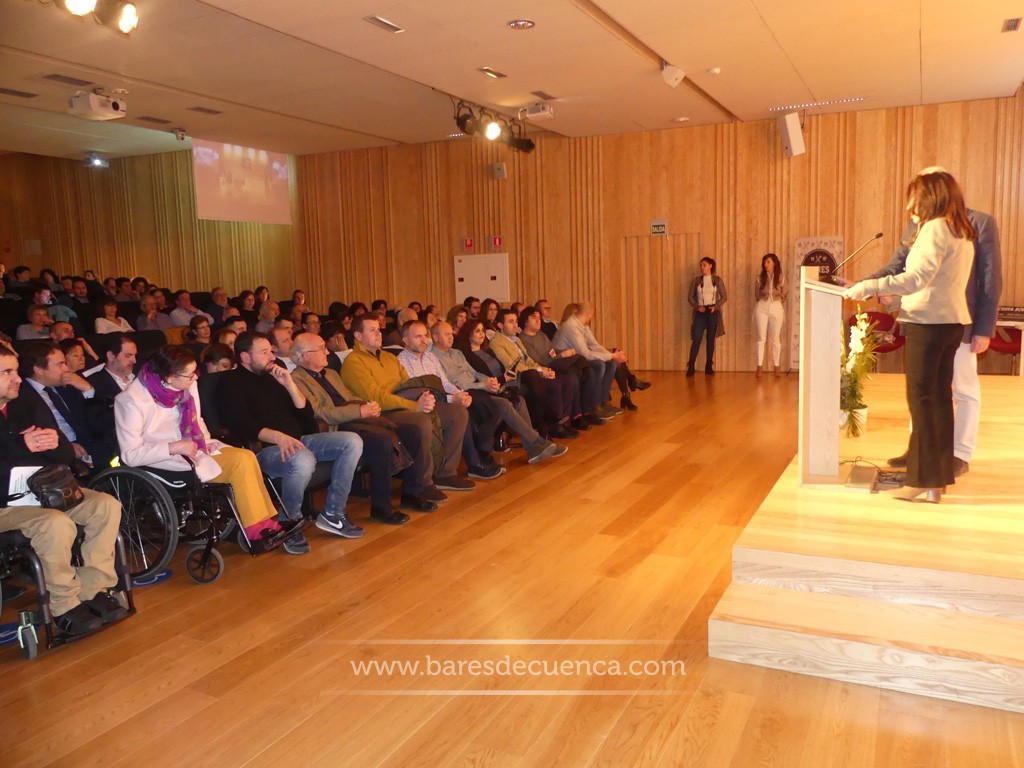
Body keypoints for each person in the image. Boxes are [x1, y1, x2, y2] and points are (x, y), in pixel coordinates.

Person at [859, 166, 1002, 478]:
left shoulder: (978, 222)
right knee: (926, 390)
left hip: (960, 321)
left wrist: (984, 328)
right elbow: (897, 265)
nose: (913, 202)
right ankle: (921, 450)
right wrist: (862, 284)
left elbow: (990, 280)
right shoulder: (920, 223)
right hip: (924, 318)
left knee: (961, 389)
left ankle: (959, 453)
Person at [843, 171, 975, 503]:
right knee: (939, 401)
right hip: (950, 323)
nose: (908, 206)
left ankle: (922, 480)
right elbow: (936, 283)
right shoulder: (959, 230)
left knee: (922, 402)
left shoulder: (934, 228)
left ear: (929, 196)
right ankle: (936, 480)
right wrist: (892, 297)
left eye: (913, 197)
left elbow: (916, 278)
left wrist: (870, 287)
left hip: (928, 325)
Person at [0, 346, 127, 637]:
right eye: (7, 372)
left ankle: (92, 589)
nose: (17, 378)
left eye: (16, 371)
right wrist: (23, 447)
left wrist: (53, 443)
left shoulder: (25, 402)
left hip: (44, 490)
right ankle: (63, 604)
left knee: (106, 506)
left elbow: (65, 454)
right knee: (55, 523)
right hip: (5, 505)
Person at [115, 346, 292, 545]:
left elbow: (197, 421)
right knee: (240, 462)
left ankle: (263, 521)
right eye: (189, 375)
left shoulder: (187, 386)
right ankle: (255, 528)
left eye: (195, 372)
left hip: (193, 450)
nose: (195, 378)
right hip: (162, 460)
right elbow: (131, 454)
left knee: (247, 456)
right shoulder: (131, 400)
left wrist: (205, 442)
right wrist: (174, 447)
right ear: (170, 377)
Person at [217, 332, 364, 553]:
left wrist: (289, 385)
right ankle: (289, 522)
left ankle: (333, 513)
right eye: (264, 352)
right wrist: (279, 437)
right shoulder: (230, 382)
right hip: (264, 450)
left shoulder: (273, 377)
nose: (272, 356)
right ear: (245, 357)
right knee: (302, 458)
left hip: (298, 441)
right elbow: (241, 426)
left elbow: (306, 417)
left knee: (351, 441)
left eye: (271, 350)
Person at [290, 332, 436, 520]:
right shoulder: (297, 380)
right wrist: (359, 411)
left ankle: (412, 493)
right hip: (336, 429)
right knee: (381, 441)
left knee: (413, 432)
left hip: (355, 420)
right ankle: (381, 506)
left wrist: (367, 405)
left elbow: (349, 397)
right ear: (305, 356)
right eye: (321, 349)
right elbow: (320, 413)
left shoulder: (331, 374)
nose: (327, 352)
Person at [341, 314, 471, 493]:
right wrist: (414, 406)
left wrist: (424, 398)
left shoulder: (389, 357)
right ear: (358, 336)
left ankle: (446, 473)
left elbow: (409, 384)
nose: (379, 333)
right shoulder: (354, 362)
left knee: (457, 413)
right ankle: (424, 482)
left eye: (379, 329)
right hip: (381, 412)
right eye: (372, 330)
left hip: (404, 404)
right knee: (422, 420)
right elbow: (376, 397)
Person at [431, 321, 566, 465]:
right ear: (435, 337)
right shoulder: (434, 358)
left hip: (479, 388)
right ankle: (538, 442)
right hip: (464, 394)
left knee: (519, 399)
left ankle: (532, 448)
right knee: (505, 402)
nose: (451, 337)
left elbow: (474, 373)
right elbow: (453, 384)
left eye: (451, 334)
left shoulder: (457, 353)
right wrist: (484, 385)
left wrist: (490, 381)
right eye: (446, 334)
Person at [397, 321, 503, 480]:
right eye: (418, 337)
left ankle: (473, 461)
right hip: (422, 405)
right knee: (459, 413)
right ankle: (472, 464)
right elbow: (418, 392)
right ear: (405, 340)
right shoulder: (401, 362)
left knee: (465, 408)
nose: (424, 340)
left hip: (440, 399)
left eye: (425, 336)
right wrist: (451, 398)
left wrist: (460, 394)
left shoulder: (430, 357)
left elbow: (445, 383)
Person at [686, 257, 728, 377]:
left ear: (710, 266)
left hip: (712, 311)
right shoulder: (696, 281)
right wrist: (697, 306)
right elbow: (690, 298)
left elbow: (724, 296)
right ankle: (691, 365)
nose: (702, 267)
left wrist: (716, 306)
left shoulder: (717, 280)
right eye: (701, 265)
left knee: (710, 339)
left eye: (704, 265)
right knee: (697, 337)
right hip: (700, 312)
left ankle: (709, 365)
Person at [753, 253, 786, 379]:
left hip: (776, 306)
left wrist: (780, 300)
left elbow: (785, 292)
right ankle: (759, 367)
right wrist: (763, 300)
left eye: (768, 262)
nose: (765, 264)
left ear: (774, 263)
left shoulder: (781, 277)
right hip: (762, 306)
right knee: (761, 338)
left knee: (775, 338)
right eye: (764, 262)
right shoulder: (760, 277)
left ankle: (776, 367)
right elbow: (757, 294)